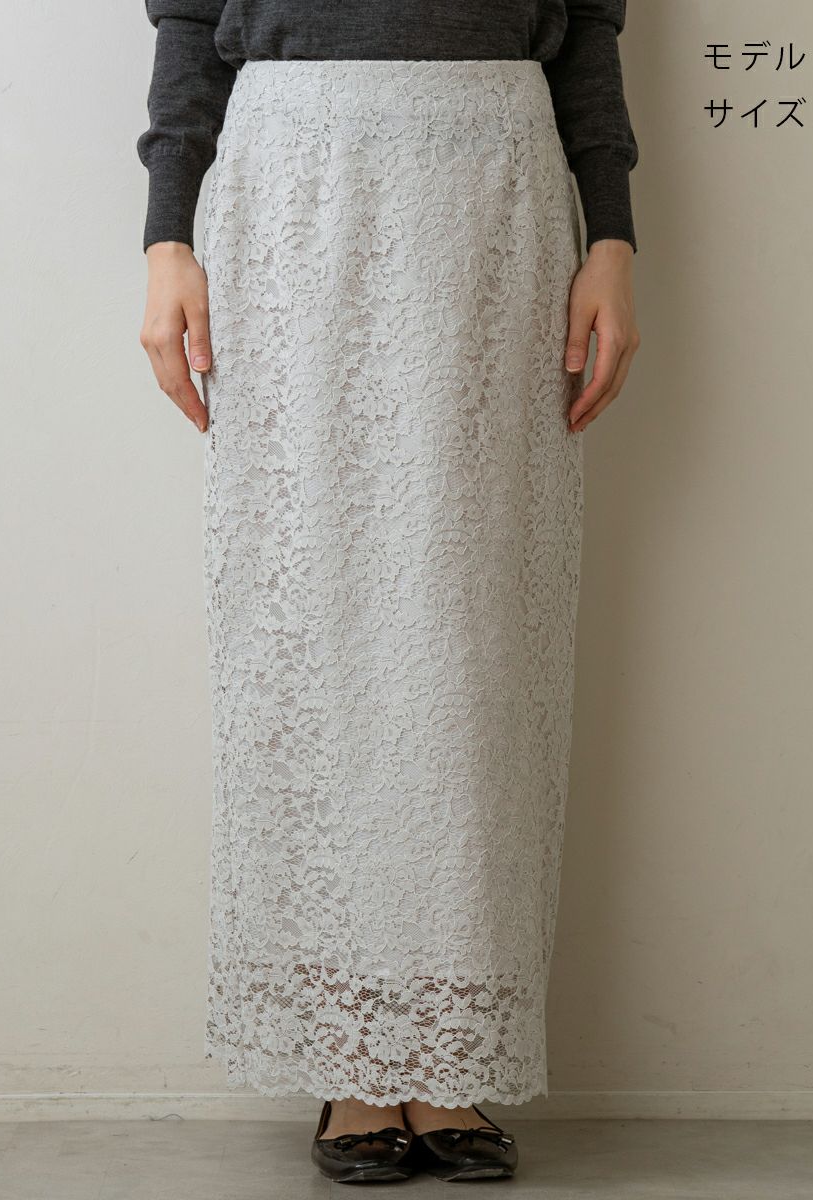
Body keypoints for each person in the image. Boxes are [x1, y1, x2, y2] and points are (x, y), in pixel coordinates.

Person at [136, 0, 640, 1183]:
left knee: (478, 644)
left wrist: (613, 238)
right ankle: (351, 1060)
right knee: (311, 627)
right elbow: (189, 22)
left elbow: (589, 32)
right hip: (297, 190)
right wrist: (166, 238)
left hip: (497, 198)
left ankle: (451, 1049)